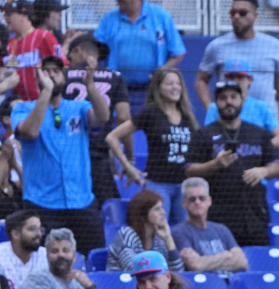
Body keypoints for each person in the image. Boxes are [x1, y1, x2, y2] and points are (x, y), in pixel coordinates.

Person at [12, 55, 109, 255]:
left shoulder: (79, 107)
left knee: (93, 260)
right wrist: (46, 92)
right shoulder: (22, 108)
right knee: (43, 264)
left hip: (81, 201)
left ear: (64, 77)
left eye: (56, 71)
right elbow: (30, 132)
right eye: (46, 71)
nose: (52, 75)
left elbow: (102, 118)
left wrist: (90, 86)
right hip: (43, 205)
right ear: (38, 78)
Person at [185, 80, 279, 247]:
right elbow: (189, 170)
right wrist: (215, 164)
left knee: (255, 264)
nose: (228, 102)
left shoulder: (259, 133)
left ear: (242, 100)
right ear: (215, 103)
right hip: (217, 217)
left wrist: (263, 171)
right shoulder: (203, 134)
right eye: (223, 98)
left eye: (233, 97)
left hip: (254, 215)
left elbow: (276, 165)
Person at [106, 69, 198, 225]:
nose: (175, 87)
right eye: (169, 83)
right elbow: (112, 137)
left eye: (178, 84)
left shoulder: (187, 115)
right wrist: (128, 165)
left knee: (184, 236)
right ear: (158, 87)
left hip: (183, 186)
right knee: (158, 235)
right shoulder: (151, 113)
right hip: (158, 184)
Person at [196, 0, 279, 129]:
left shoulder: (273, 45)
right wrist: (212, 109)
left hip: (265, 125)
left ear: (255, 15)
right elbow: (201, 81)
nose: (236, 17)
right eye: (233, 12)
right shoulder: (217, 46)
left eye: (242, 13)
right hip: (229, 125)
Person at [64, 34, 130, 208]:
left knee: (72, 206)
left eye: (69, 56)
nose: (69, 61)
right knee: (105, 207)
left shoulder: (64, 75)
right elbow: (123, 117)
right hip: (99, 156)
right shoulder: (115, 76)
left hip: (69, 155)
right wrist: (129, 156)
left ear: (78, 51)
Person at [94, 0, 186, 115]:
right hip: (117, 90)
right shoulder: (109, 19)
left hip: (152, 89)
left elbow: (178, 53)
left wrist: (162, 71)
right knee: (121, 124)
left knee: (151, 125)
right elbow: (95, 51)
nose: (117, 2)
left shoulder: (161, 17)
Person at [204, 57, 279, 151]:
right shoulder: (215, 107)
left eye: (240, 77)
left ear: (250, 80)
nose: (235, 81)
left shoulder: (261, 107)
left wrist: (254, 148)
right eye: (231, 77)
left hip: (255, 162)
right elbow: (206, 140)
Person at [171, 177, 248, 273]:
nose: (197, 202)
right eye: (192, 199)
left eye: (202, 198)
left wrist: (205, 262)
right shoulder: (178, 232)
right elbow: (195, 265)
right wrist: (225, 256)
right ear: (184, 203)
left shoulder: (222, 229)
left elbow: (242, 262)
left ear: (209, 201)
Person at [107, 189, 184, 272]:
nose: (163, 212)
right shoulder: (126, 234)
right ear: (143, 213)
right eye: (157, 209)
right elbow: (133, 270)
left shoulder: (159, 237)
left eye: (162, 208)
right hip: (122, 283)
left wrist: (168, 238)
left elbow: (178, 271)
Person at [3, 0, 64, 102]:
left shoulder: (44, 37)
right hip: (18, 107)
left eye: (9, 14)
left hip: (43, 104)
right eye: (5, 14)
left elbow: (63, 67)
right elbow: (8, 71)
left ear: (24, 15)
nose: (6, 17)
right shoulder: (9, 45)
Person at [20, 227, 97, 289]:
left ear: (74, 256)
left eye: (65, 250)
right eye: (55, 251)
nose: (61, 255)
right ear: (47, 256)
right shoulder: (37, 280)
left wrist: (89, 288)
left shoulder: (79, 284)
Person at [0, 210, 46, 289]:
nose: (39, 234)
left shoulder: (46, 256)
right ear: (15, 234)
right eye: (32, 229)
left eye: (40, 229)